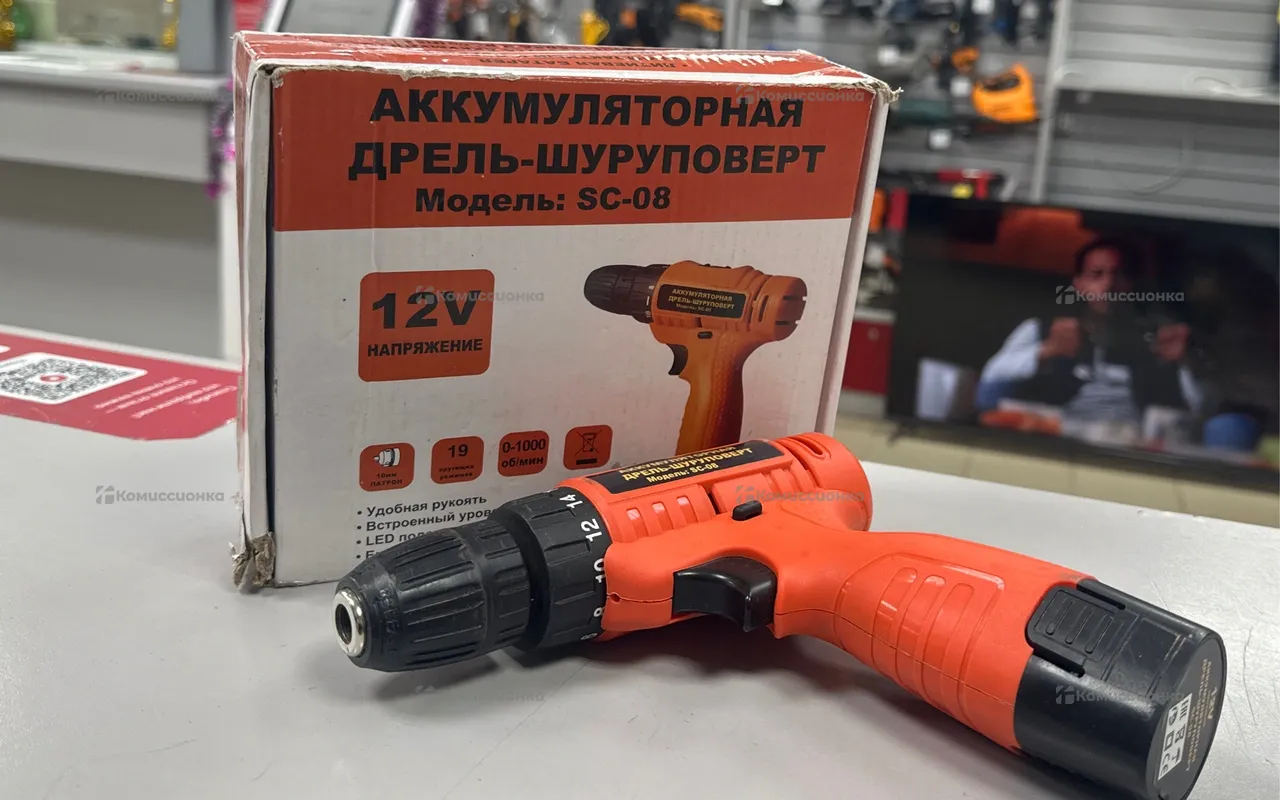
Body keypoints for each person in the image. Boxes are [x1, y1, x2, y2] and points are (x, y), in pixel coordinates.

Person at [977, 238, 1202, 424]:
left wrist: (1187, 363)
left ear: (1133, 284)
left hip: (1133, 443)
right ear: (1079, 284)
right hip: (1055, 434)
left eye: (1119, 275)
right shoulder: (1041, 330)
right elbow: (990, 379)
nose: (1108, 285)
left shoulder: (1160, 338)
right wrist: (1045, 351)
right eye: (1097, 275)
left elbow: (1200, 408)